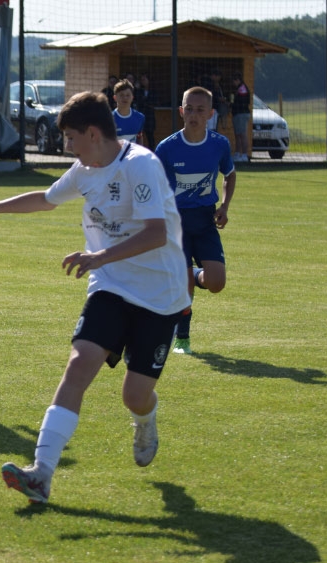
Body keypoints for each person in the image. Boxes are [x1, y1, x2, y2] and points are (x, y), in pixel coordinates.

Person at [0, 91, 189, 504]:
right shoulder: (84, 170)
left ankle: (145, 418)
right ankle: (41, 474)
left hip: (159, 295)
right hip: (111, 286)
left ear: (93, 134)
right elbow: (45, 199)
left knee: (134, 396)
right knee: (79, 364)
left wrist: (99, 256)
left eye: (71, 138)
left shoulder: (140, 165)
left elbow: (157, 234)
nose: (67, 147)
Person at [155, 87, 236, 355]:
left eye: (200, 110)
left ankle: (191, 273)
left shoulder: (219, 144)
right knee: (184, 284)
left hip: (205, 220)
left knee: (217, 283)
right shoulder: (167, 148)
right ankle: (182, 338)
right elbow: (154, 186)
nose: (194, 115)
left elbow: (229, 174)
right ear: (181, 111)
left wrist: (224, 206)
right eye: (189, 109)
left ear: (211, 114)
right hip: (175, 223)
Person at [112, 79, 145, 144]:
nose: (125, 98)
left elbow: (139, 137)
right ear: (115, 98)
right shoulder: (109, 119)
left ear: (132, 97)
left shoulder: (140, 117)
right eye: (121, 95)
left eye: (128, 95)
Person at [230, 73, 252, 162]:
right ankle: (237, 154)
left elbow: (242, 103)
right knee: (238, 135)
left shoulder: (242, 89)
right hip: (237, 114)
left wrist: (232, 105)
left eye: (234, 81)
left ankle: (244, 155)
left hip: (241, 114)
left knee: (242, 134)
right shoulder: (239, 88)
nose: (233, 83)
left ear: (238, 80)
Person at [135, 73, 157, 149]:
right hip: (141, 115)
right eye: (141, 80)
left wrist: (145, 103)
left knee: (150, 136)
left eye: (144, 79)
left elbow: (154, 103)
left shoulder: (153, 91)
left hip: (149, 116)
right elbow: (138, 101)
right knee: (139, 136)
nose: (143, 81)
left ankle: (152, 151)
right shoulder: (139, 91)